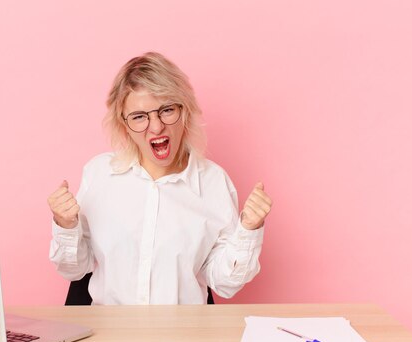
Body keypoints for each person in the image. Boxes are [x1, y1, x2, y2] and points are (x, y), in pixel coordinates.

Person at [47, 52, 272, 305]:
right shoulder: (99, 174)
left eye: (166, 110)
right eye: (140, 117)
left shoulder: (213, 182)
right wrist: (65, 225)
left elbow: (224, 282)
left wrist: (249, 230)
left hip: (182, 335)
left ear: (184, 112)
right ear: (124, 125)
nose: (156, 127)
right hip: (111, 335)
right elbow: (75, 269)